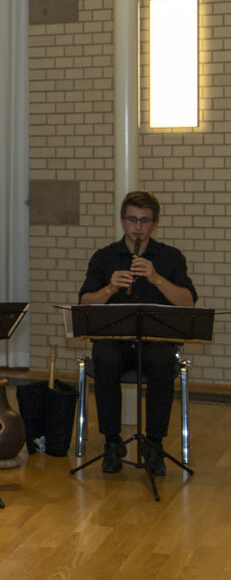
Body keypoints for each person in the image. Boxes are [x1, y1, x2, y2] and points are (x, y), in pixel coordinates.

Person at [78, 190, 196, 475]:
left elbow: (188, 302)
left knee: (162, 361)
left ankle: (153, 444)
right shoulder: (105, 257)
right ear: (122, 221)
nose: (138, 227)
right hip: (115, 342)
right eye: (133, 220)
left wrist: (156, 278)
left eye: (145, 221)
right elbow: (84, 303)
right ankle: (112, 443)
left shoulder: (170, 257)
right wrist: (110, 288)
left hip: (154, 342)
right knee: (104, 357)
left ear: (155, 224)